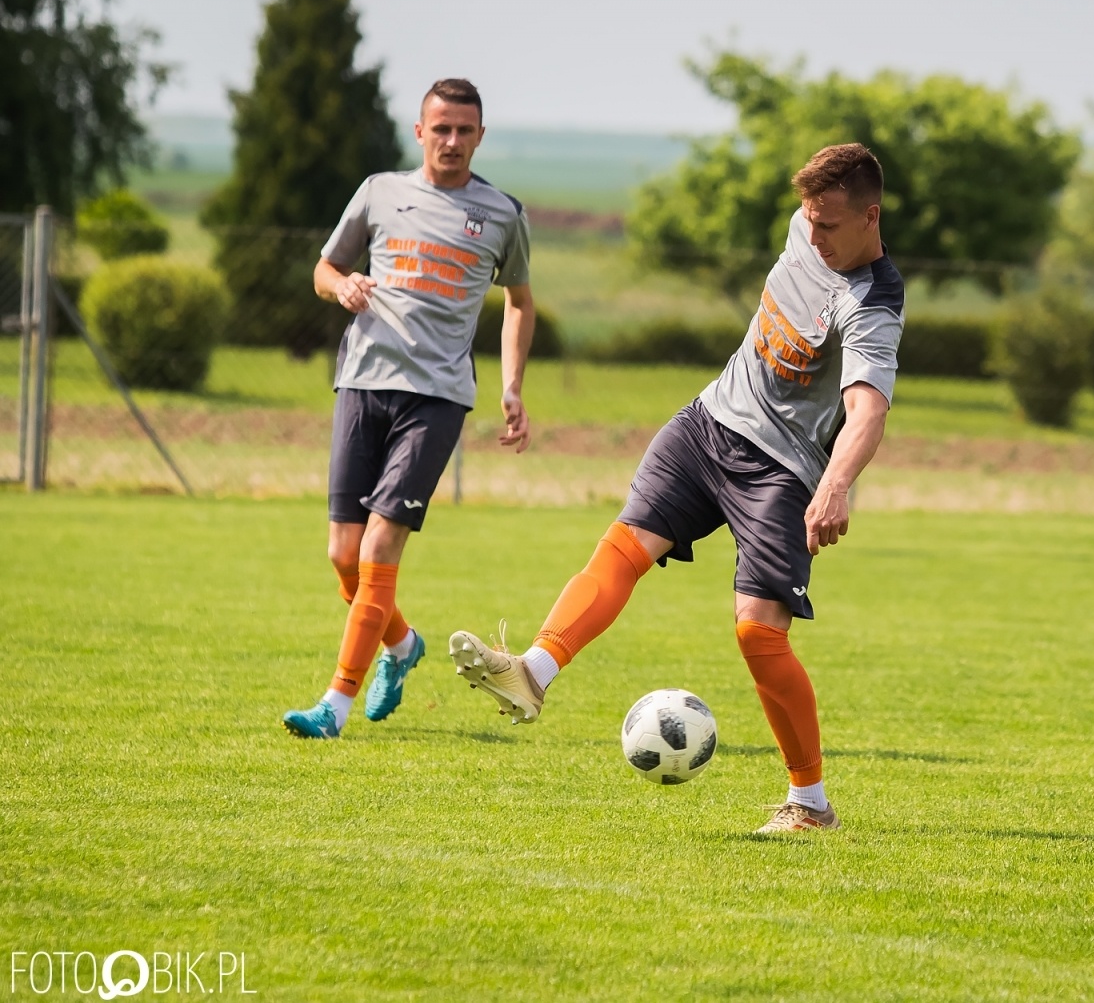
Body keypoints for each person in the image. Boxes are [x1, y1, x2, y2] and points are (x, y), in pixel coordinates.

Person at [448, 143, 903, 833]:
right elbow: (807, 224)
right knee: (624, 548)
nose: (814, 237)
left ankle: (809, 804)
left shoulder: (871, 303)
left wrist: (836, 484)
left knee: (758, 633)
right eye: (808, 220)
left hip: (779, 471)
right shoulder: (807, 225)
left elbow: (868, 411)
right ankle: (533, 672)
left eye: (830, 226)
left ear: (870, 218)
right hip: (708, 422)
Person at [282, 78, 535, 739]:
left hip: (438, 396)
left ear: (480, 136)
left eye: (465, 130)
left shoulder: (502, 214)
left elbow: (520, 302)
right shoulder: (379, 192)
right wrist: (343, 287)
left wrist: (511, 386)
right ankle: (401, 646)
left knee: (380, 542)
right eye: (440, 128)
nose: (452, 141)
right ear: (419, 131)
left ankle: (334, 706)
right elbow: (324, 269)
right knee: (343, 555)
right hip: (362, 382)